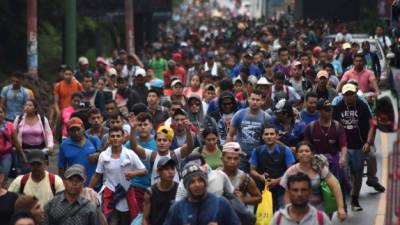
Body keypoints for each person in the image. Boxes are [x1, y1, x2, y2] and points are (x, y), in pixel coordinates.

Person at [333, 83, 378, 211]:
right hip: (344, 147)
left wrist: (368, 143)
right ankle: (343, 203)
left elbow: (372, 125)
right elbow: (333, 125)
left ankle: (354, 199)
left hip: (359, 146)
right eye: (346, 94)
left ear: (355, 94)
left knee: (357, 173)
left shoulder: (362, 106)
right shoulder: (338, 107)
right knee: (343, 174)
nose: (349, 97)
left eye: (351, 94)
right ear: (343, 95)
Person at [89, 127, 147, 225]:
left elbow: (144, 171)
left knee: (126, 221)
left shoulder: (130, 154)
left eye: (118, 136)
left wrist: (133, 174)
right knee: (109, 221)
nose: (115, 138)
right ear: (109, 139)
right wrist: (88, 190)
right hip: (109, 193)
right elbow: (97, 174)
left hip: (126, 193)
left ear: (123, 138)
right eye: (112, 136)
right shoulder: (103, 155)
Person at [280, 141, 346, 220]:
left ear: (312, 154)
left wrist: (341, 208)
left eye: (307, 151)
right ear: (297, 155)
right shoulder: (291, 171)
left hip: (320, 210)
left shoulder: (319, 168)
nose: (304, 153)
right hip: (299, 212)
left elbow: (335, 186)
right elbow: (287, 195)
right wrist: (289, 214)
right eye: (301, 151)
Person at [163, 163, 241, 225]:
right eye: (192, 182)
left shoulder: (221, 203)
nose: (197, 184)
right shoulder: (177, 209)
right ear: (187, 186)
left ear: (205, 182)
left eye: (200, 180)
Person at [249, 125, 296, 211]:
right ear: (262, 137)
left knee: (282, 214)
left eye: (272, 134)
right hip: (262, 188)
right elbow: (252, 170)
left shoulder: (286, 150)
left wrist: (277, 181)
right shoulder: (257, 150)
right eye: (266, 134)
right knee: (260, 217)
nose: (269, 136)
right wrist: (260, 177)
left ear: (277, 136)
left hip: (281, 188)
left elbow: (291, 172)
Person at [130, 123, 194, 185]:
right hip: (156, 194)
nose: (161, 143)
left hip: (174, 194)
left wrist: (188, 131)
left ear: (170, 143)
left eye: (164, 140)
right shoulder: (151, 155)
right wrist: (133, 129)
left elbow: (190, 146)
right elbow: (134, 147)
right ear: (155, 142)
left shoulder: (175, 154)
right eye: (159, 140)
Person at [227, 90, 270, 172]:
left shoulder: (266, 117)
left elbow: (269, 137)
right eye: (253, 99)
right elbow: (230, 135)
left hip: (258, 156)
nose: (255, 102)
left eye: (257, 100)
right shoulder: (239, 114)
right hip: (241, 155)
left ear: (262, 102)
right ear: (248, 99)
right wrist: (230, 152)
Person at [58, 117, 100, 186]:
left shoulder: (94, 140)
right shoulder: (64, 145)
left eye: (78, 129)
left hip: (96, 185)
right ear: (68, 132)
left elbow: (105, 156)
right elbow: (62, 168)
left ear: (83, 128)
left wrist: (98, 155)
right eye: (73, 131)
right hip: (76, 186)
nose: (76, 133)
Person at [142, 157, 178, 225]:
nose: (170, 172)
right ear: (158, 171)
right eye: (166, 169)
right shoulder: (150, 192)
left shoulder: (179, 190)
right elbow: (145, 219)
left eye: (172, 168)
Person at [0, 104, 26, 178]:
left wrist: (23, 155)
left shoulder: (10, 126)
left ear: (4, 114)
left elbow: (16, 142)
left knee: (5, 175)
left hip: (6, 154)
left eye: (1, 112)